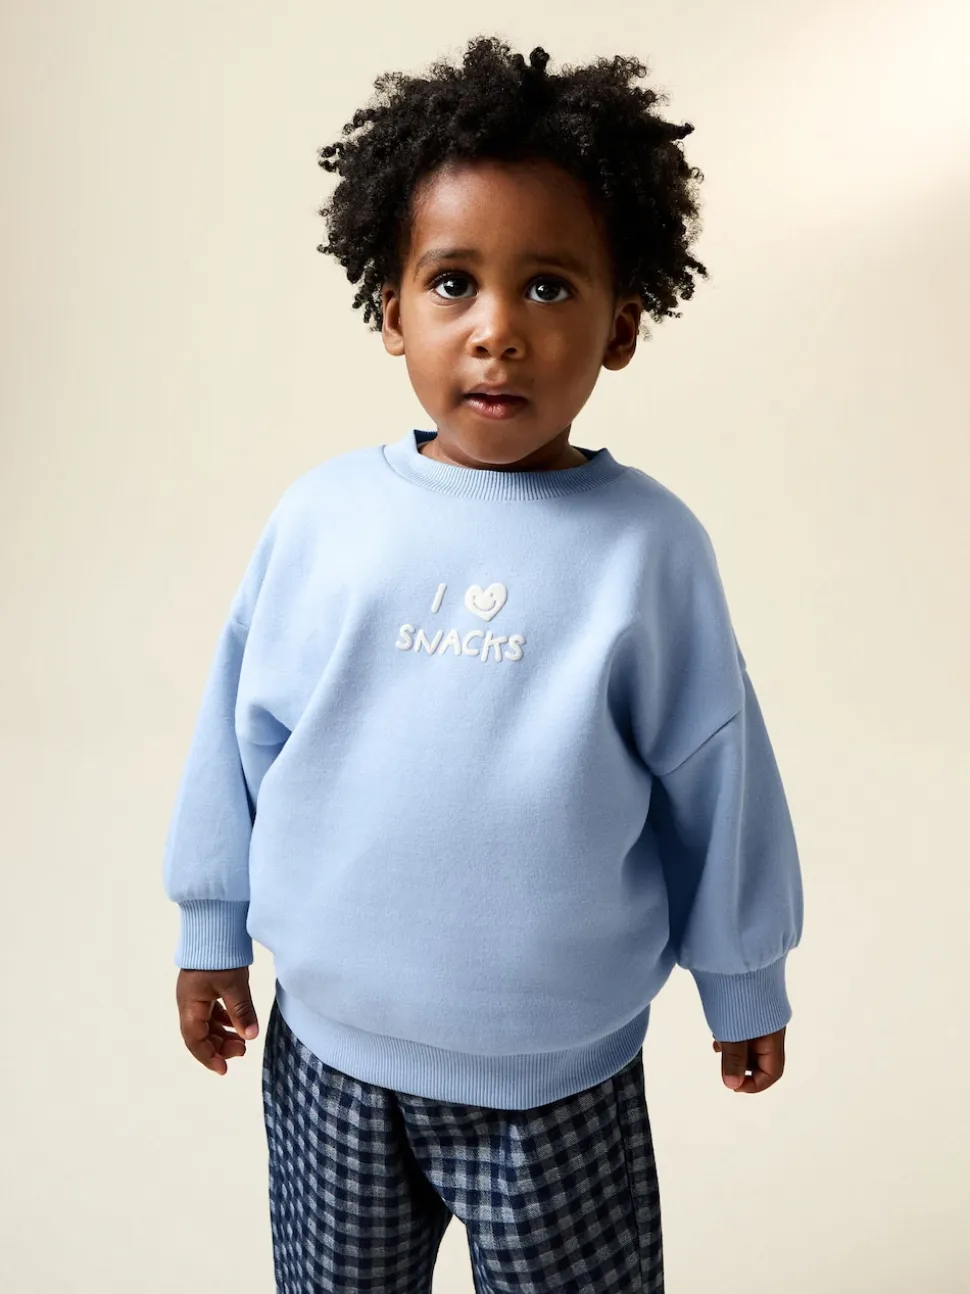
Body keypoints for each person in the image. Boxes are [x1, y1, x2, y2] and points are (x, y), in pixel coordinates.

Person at [162, 35, 804, 1293]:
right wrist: (210, 925)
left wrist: (744, 980)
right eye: (452, 283)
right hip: (331, 1060)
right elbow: (239, 737)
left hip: (560, 1082)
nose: (497, 331)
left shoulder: (648, 550)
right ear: (389, 309)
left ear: (623, 325)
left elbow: (718, 782)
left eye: (549, 287)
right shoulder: (323, 519)